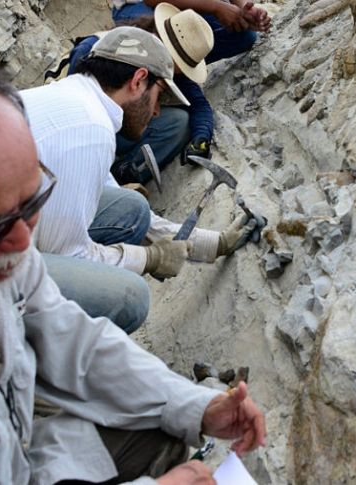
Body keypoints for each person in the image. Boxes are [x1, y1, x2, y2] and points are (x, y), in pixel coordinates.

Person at [0, 65, 267, 484]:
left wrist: (198, 406)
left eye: (31, 202)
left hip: (16, 456)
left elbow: (71, 336)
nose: (23, 243)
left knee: (164, 422)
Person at [21, 27, 258, 334]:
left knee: (129, 207)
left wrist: (211, 245)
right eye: (159, 95)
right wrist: (148, 258)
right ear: (137, 81)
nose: (158, 110)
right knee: (129, 298)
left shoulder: (77, 97)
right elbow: (68, 255)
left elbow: (117, 199)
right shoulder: (90, 131)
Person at [65, 5, 215, 185]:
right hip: (78, 131)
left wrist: (201, 138)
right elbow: (71, 107)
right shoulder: (97, 48)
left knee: (179, 121)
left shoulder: (171, 70)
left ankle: (123, 175)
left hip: (116, 130)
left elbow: (200, 105)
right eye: (178, 65)